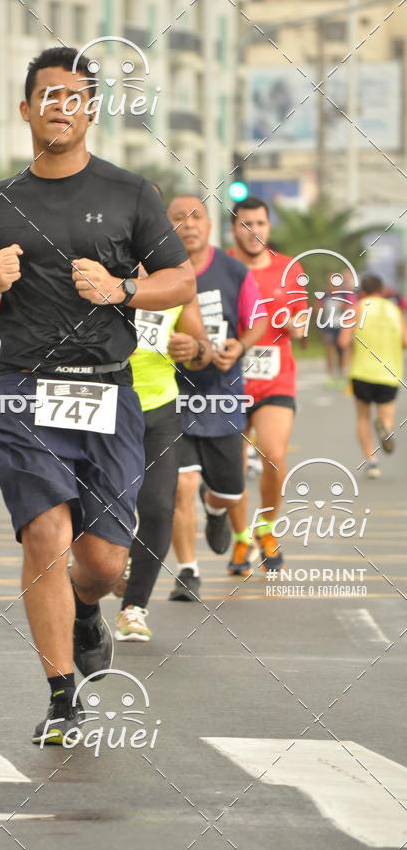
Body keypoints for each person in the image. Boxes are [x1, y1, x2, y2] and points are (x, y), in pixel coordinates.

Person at [0, 47, 195, 745]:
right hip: (25, 390)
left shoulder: (131, 193)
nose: (60, 106)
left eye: (75, 96)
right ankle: (63, 696)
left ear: (91, 110)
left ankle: (89, 612)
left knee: (101, 565)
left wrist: (121, 289)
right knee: (46, 533)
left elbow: (177, 281)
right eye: (47, 95)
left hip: (107, 392)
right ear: (26, 109)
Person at [165, 195, 267, 593]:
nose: (188, 224)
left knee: (229, 491)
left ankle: (215, 508)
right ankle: (188, 571)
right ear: (166, 226)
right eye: (178, 218)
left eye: (196, 217)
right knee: (181, 485)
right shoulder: (159, 272)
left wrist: (239, 347)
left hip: (222, 396)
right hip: (171, 397)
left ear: (209, 225)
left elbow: (256, 320)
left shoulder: (233, 271)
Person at [115, 283, 212, 641]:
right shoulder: (99, 265)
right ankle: (91, 593)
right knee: (105, 507)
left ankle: (133, 608)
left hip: (159, 409)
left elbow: (202, 350)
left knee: (158, 507)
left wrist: (195, 348)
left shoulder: (175, 280)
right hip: (106, 406)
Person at [229, 196, 303, 571]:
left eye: (260, 223)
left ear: (268, 227)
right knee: (231, 468)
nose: (254, 231)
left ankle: (267, 527)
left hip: (276, 378)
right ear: (234, 228)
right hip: (228, 380)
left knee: (273, 456)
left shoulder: (290, 269)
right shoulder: (222, 265)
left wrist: (297, 325)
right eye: (246, 224)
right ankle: (241, 538)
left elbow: (302, 323)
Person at [339, 272, 407, 479]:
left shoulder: (356, 309)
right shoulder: (394, 310)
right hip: (389, 372)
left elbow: (342, 342)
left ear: (363, 292)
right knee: (385, 415)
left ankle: (372, 462)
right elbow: (405, 341)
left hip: (361, 372)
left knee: (362, 417)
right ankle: (385, 429)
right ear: (382, 291)